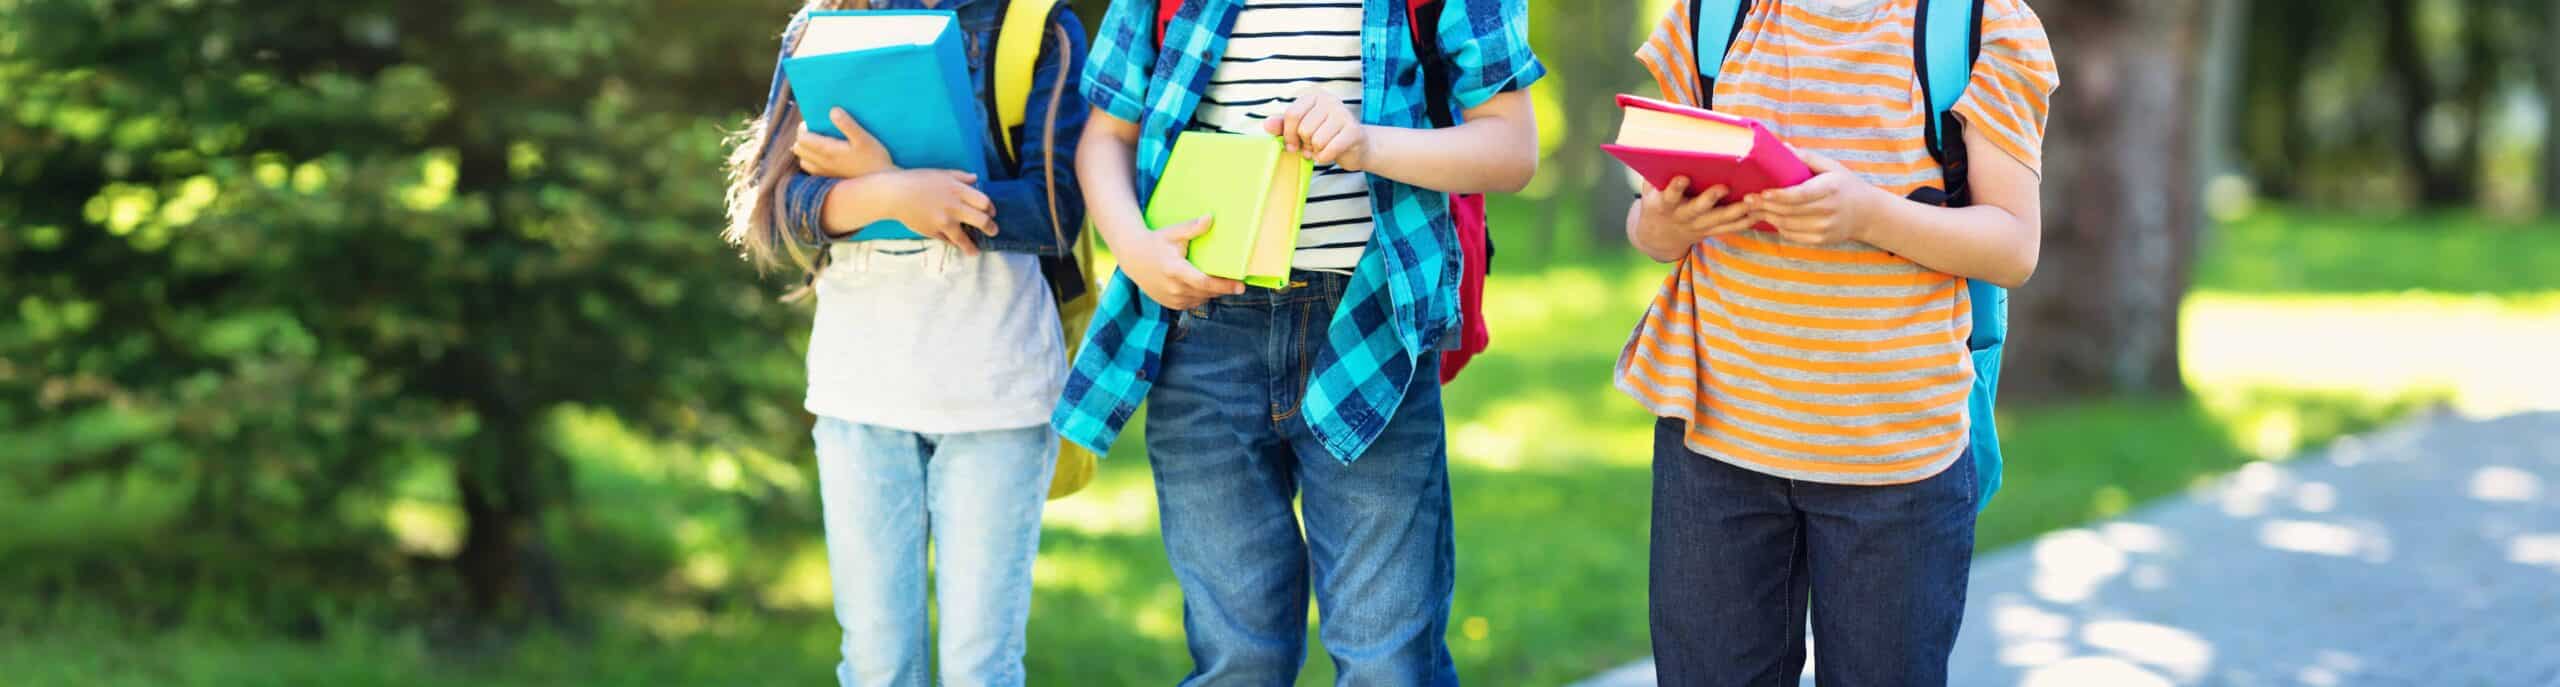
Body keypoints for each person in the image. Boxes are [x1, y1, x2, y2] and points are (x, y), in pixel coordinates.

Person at [1056, 0, 1543, 683]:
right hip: (1202, 336)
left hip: (1372, 335)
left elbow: (1513, 147)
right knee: (1238, 661)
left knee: (1390, 664)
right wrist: (1134, 248)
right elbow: (1106, 134)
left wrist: (1368, 142)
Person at [1618, 0, 2057, 684]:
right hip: (1713, 440)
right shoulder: (1716, 15)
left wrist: (1866, 212)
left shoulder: (1977, 24)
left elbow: (2012, 245)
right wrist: (1667, 223)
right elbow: (1650, 228)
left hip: (1896, 459)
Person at [718, 1, 1088, 685]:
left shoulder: (1037, 26)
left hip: (997, 395)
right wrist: (891, 192)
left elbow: (1058, 210)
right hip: (861, 393)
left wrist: (914, 189)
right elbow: (774, 205)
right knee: (878, 666)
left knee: (980, 668)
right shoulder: (820, 27)